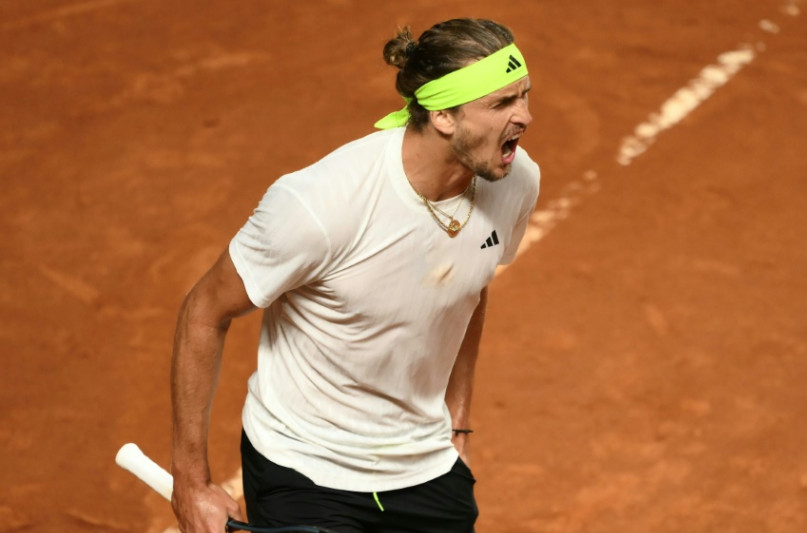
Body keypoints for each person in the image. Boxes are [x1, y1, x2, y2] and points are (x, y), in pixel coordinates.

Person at [169, 17, 538, 533]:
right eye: (502, 103)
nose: (524, 116)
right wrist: (191, 483)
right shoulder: (320, 205)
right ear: (442, 115)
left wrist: (457, 423)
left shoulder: (516, 182)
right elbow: (204, 311)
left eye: (524, 96)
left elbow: (468, 291)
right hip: (305, 467)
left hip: (423, 466)